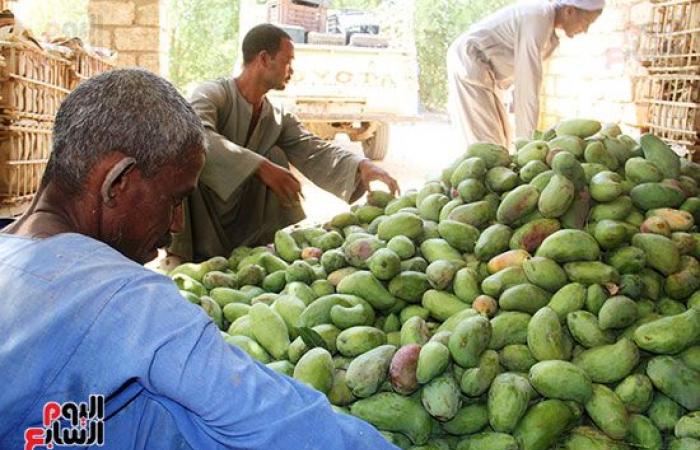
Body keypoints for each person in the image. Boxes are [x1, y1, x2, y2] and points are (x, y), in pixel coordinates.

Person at [0, 69, 398, 450]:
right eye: (175, 199)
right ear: (118, 180)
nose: (176, 223)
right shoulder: (129, 301)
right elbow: (280, 421)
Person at [168, 23, 399, 264]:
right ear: (265, 59)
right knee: (187, 159)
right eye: (288, 61)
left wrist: (361, 165)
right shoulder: (212, 93)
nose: (291, 70)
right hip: (202, 210)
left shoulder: (277, 115)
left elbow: (311, 148)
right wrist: (261, 167)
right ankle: (178, 258)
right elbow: (197, 135)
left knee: (275, 154)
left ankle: (258, 250)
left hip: (241, 215)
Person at [447, 0, 605, 148]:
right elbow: (527, 85)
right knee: (489, 145)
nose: (585, 30)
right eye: (586, 23)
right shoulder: (538, 17)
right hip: (470, 62)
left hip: (486, 75)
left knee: (503, 142)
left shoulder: (547, 29)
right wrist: (529, 144)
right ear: (569, 11)